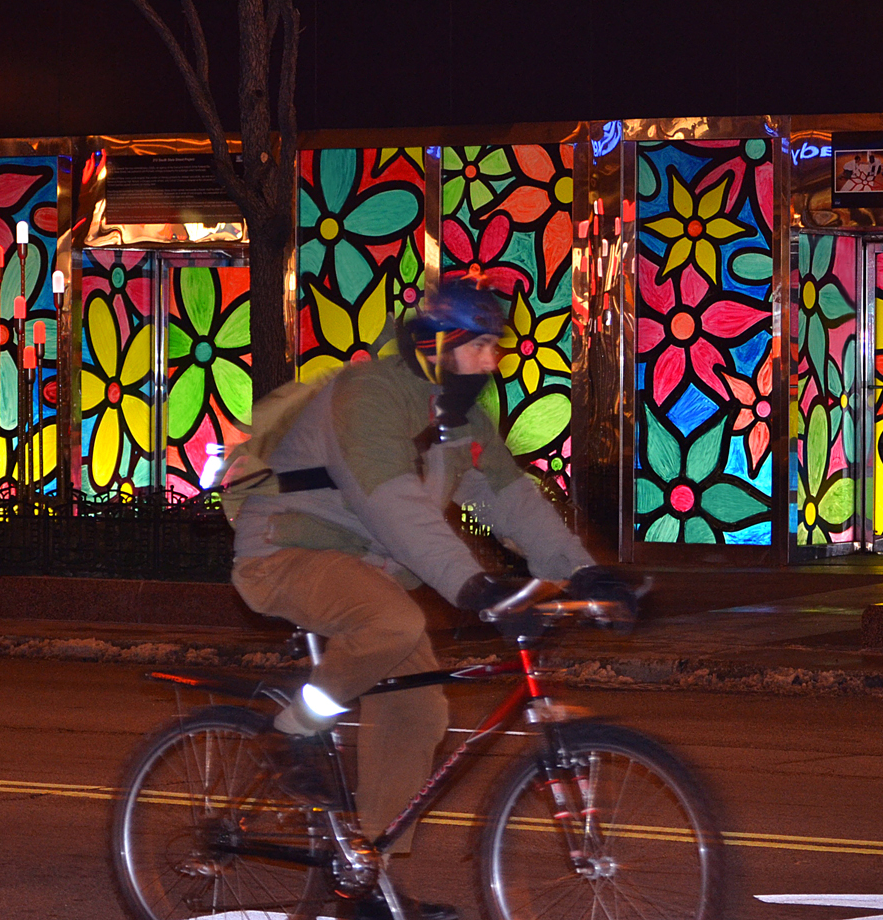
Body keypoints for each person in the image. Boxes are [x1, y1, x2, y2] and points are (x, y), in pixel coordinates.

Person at [228, 278, 608, 920]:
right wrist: (471, 585)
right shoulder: (368, 393)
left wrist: (587, 573)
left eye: (496, 348)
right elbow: (392, 503)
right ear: (440, 344)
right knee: (393, 621)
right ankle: (294, 726)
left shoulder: (461, 418)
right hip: (286, 551)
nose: (494, 361)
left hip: (370, 570)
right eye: (483, 346)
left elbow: (510, 499)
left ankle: (364, 879)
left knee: (418, 713)